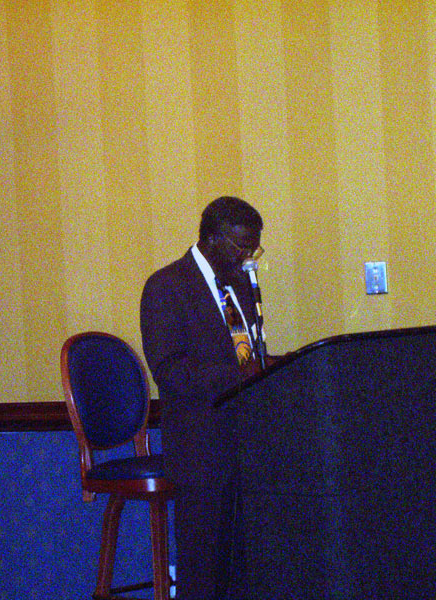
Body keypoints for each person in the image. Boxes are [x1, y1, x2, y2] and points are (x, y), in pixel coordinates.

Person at [140, 196, 266, 600]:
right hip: (201, 444)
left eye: (254, 249)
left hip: (245, 441)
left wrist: (269, 368)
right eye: (242, 246)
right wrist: (240, 375)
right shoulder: (167, 286)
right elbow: (170, 370)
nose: (248, 258)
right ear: (212, 239)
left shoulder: (241, 286)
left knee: (246, 566)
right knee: (204, 567)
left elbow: (246, 353)